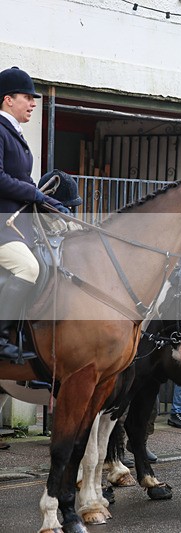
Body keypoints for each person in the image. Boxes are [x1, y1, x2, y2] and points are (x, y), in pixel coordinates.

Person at [0, 67, 69, 361]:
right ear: (7, 99)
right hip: (2, 227)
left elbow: (23, 181)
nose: (32, 104)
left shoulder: (13, 133)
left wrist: (53, 206)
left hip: (16, 227)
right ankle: (1, 339)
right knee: (28, 267)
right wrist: (34, 194)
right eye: (27, 97)